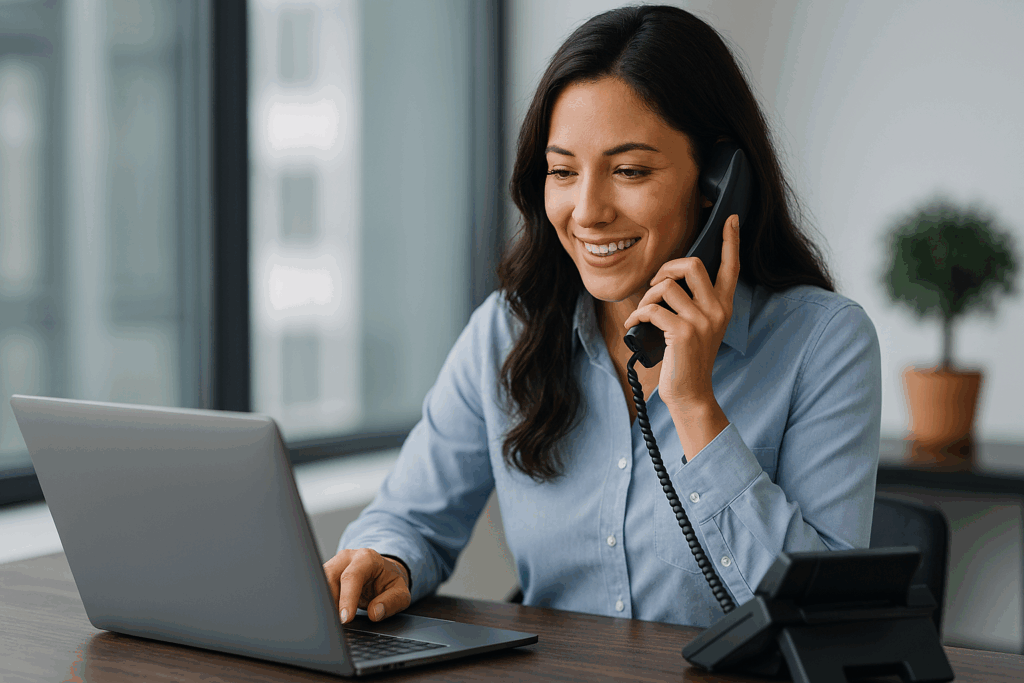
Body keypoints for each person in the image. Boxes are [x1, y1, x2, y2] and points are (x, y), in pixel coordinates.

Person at [324, 5, 881, 628]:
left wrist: (696, 407)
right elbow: (409, 517)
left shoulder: (823, 341)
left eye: (629, 171)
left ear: (720, 180)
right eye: (563, 171)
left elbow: (828, 614)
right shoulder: (507, 331)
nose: (587, 211)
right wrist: (385, 558)